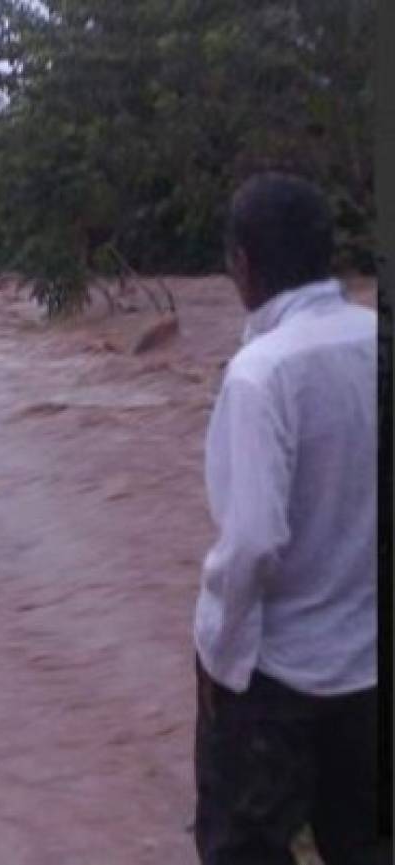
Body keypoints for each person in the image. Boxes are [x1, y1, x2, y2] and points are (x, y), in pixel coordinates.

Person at [193, 173, 383, 864]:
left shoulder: (261, 372)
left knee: (244, 848)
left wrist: (217, 654)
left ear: (242, 263)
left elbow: (251, 545)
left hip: (278, 679)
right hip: (372, 671)